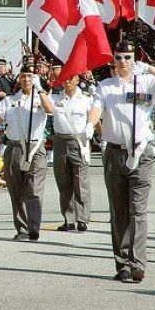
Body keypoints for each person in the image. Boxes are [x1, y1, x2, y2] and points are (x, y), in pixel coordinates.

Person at [86, 40, 155, 282]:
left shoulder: (148, 82)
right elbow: (97, 108)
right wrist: (88, 125)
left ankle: (138, 263)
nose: (123, 62)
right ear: (113, 61)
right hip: (115, 153)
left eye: (128, 57)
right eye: (119, 58)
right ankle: (122, 264)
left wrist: (149, 68)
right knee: (119, 212)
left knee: (138, 211)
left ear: (134, 59)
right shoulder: (106, 86)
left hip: (141, 152)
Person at [0, 60, 55, 241]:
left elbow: (50, 110)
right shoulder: (10, 100)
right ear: (19, 78)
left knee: (34, 188)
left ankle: (34, 227)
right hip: (15, 147)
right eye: (24, 76)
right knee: (16, 189)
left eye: (30, 76)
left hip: (35, 147)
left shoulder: (41, 97)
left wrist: (40, 89)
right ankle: (22, 228)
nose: (26, 79)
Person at [51, 74, 93, 232]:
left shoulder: (86, 99)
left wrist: (100, 137)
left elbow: (94, 118)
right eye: (65, 78)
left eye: (71, 78)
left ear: (77, 80)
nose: (67, 81)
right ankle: (68, 219)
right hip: (60, 141)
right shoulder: (55, 97)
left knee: (80, 182)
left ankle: (82, 218)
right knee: (63, 181)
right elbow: (48, 109)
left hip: (78, 141)